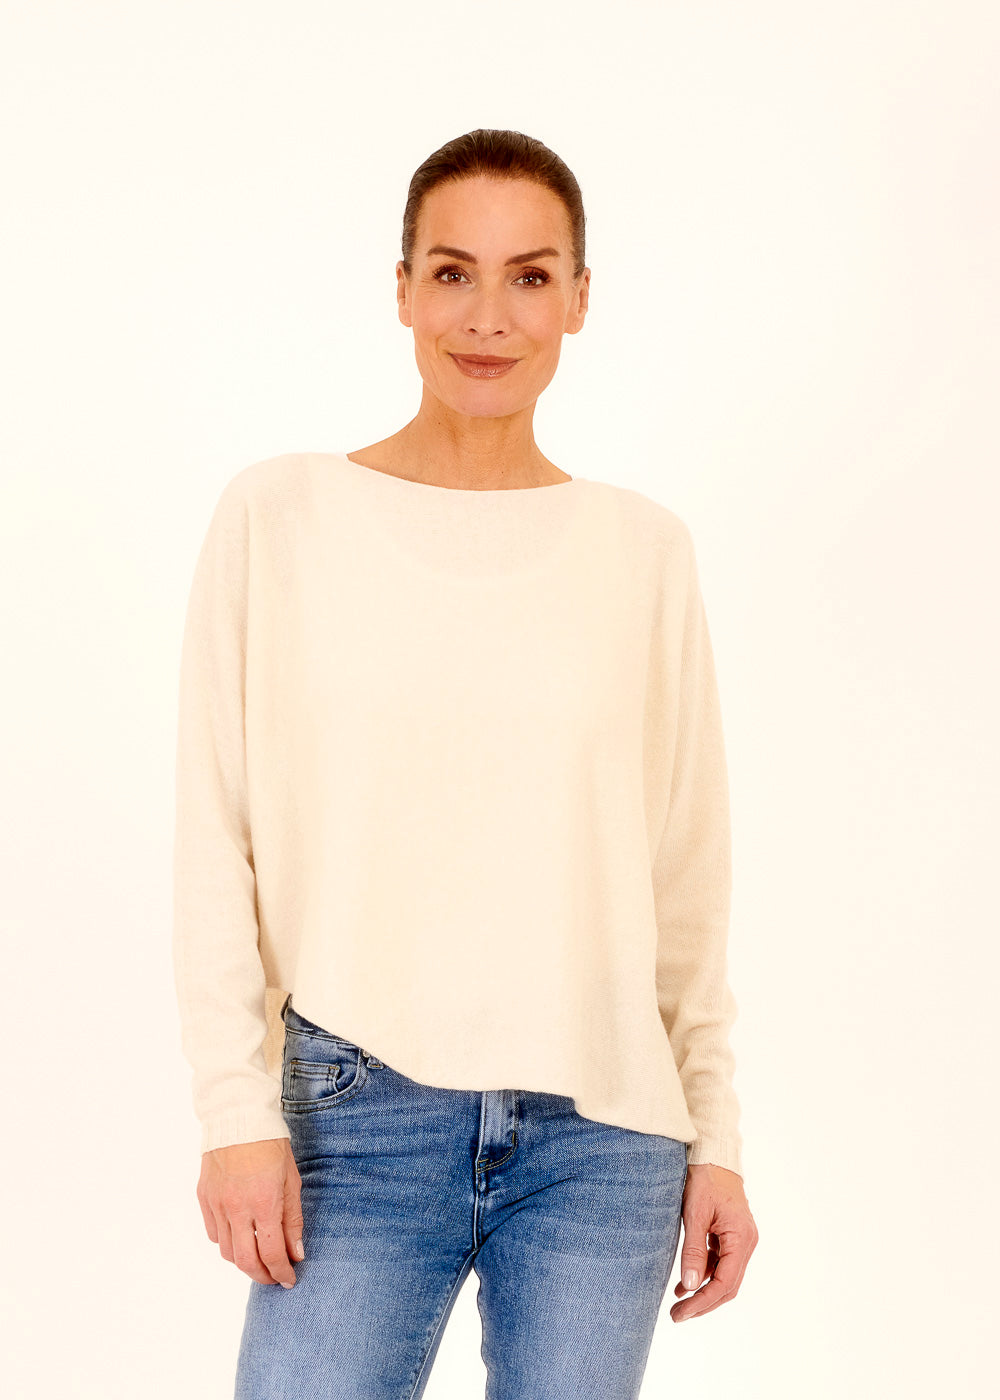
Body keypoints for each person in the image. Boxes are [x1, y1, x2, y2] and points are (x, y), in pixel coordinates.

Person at [172, 127, 758, 1399]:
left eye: (530, 276)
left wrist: (715, 1135)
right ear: (401, 290)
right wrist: (234, 1111)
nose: (489, 316)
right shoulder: (280, 515)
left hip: (606, 1135)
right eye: (452, 272)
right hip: (355, 1114)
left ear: (580, 299)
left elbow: (685, 879)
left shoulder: (642, 552)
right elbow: (215, 833)